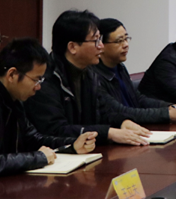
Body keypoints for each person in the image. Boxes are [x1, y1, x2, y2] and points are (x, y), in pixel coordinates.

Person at [0, 38, 97, 179]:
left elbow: (33, 139)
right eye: (36, 80)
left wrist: (72, 145)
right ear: (12, 75)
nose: (39, 87)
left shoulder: (13, 100)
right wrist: (37, 158)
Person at [26, 10, 151, 146]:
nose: (101, 46)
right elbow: (56, 130)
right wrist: (108, 133)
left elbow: (104, 111)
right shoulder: (44, 80)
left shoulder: (90, 73)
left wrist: (123, 122)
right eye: (95, 40)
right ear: (72, 47)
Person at [93, 18, 176, 124]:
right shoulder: (95, 77)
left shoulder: (120, 68)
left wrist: (170, 107)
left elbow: (138, 99)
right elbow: (120, 111)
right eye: (119, 41)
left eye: (126, 39)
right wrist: (167, 114)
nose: (126, 45)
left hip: (135, 125)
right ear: (101, 45)